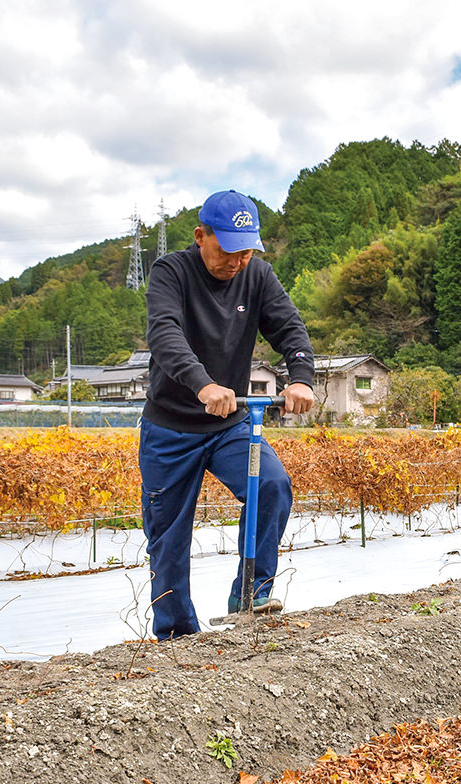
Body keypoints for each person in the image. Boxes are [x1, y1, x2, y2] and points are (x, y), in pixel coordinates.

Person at [139, 189, 315, 640]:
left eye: (247, 251)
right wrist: (204, 384)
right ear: (201, 236)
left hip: (229, 424)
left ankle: (251, 597)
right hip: (171, 429)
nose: (237, 262)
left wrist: (301, 377)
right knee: (168, 538)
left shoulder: (257, 275)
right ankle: (177, 635)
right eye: (229, 250)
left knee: (272, 485)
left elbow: (289, 326)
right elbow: (165, 334)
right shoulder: (170, 272)